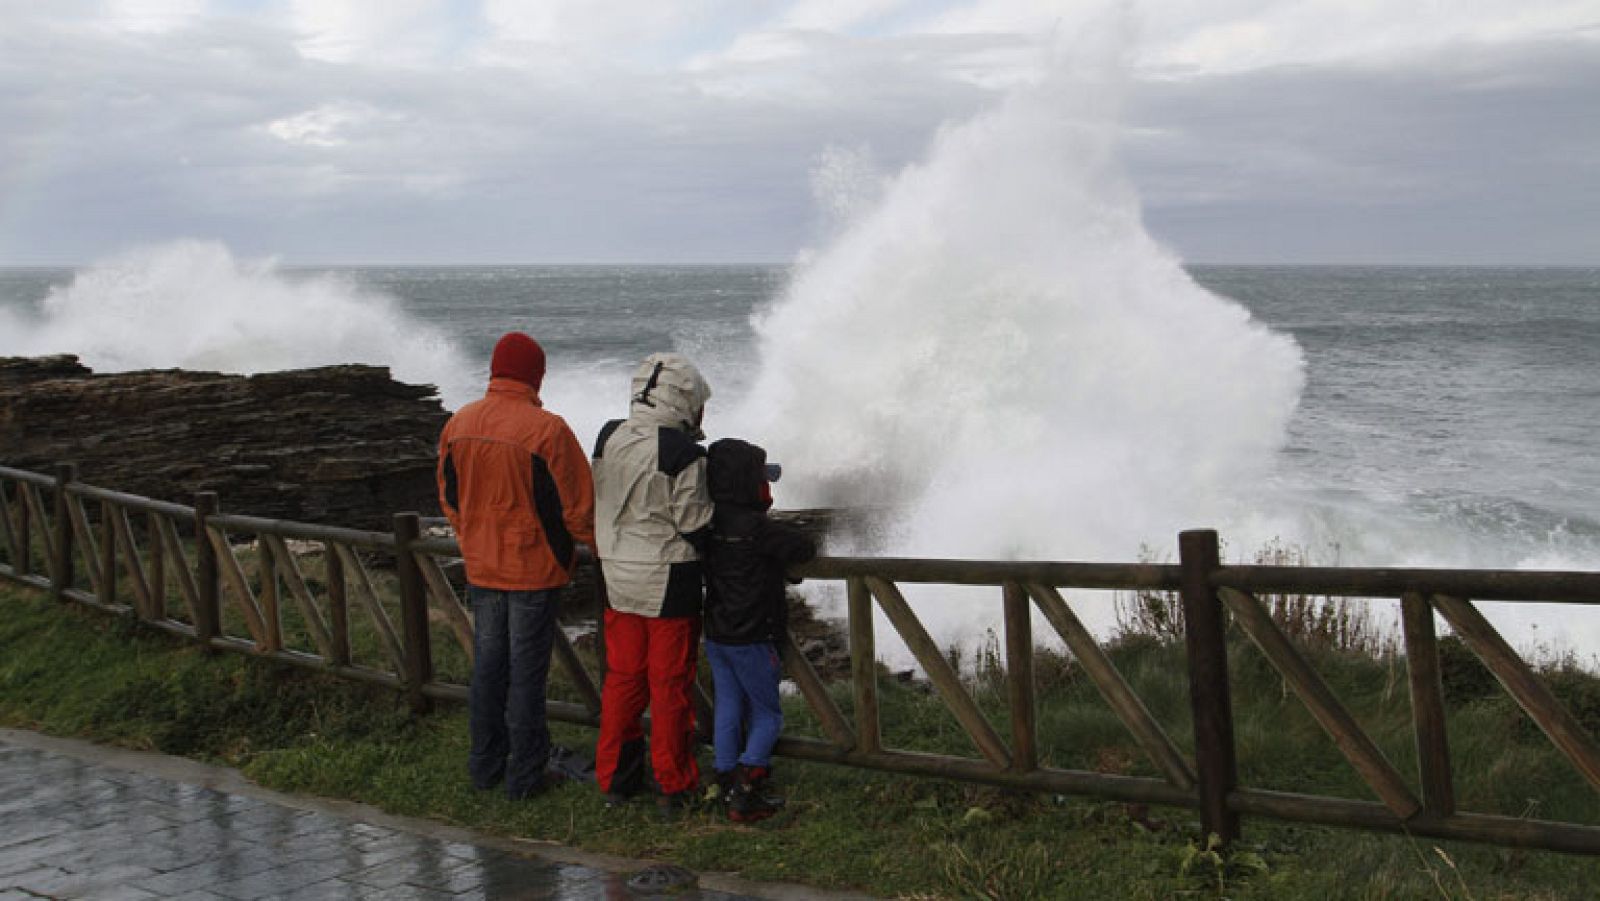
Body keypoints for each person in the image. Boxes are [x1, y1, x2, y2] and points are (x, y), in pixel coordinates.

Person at [437, 331, 595, 800]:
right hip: (533, 568)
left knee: (488, 669)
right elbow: (579, 510)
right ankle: (525, 777)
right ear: (535, 375)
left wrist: (471, 537)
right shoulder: (548, 430)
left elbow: (449, 498)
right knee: (526, 675)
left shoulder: (458, 424)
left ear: (495, 369)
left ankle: (485, 767)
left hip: (482, 565)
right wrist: (600, 548)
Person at [591, 352, 713, 819]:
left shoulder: (609, 435)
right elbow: (695, 525)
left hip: (616, 574)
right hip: (668, 579)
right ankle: (672, 782)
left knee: (623, 680)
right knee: (669, 686)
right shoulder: (683, 454)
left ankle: (615, 780)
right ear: (684, 400)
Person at [702, 438, 815, 822]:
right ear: (750, 484)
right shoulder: (760, 530)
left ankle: (724, 777)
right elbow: (804, 547)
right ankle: (746, 790)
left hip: (718, 635)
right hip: (753, 638)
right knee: (768, 716)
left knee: (728, 707)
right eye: (763, 480)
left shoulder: (707, 523)